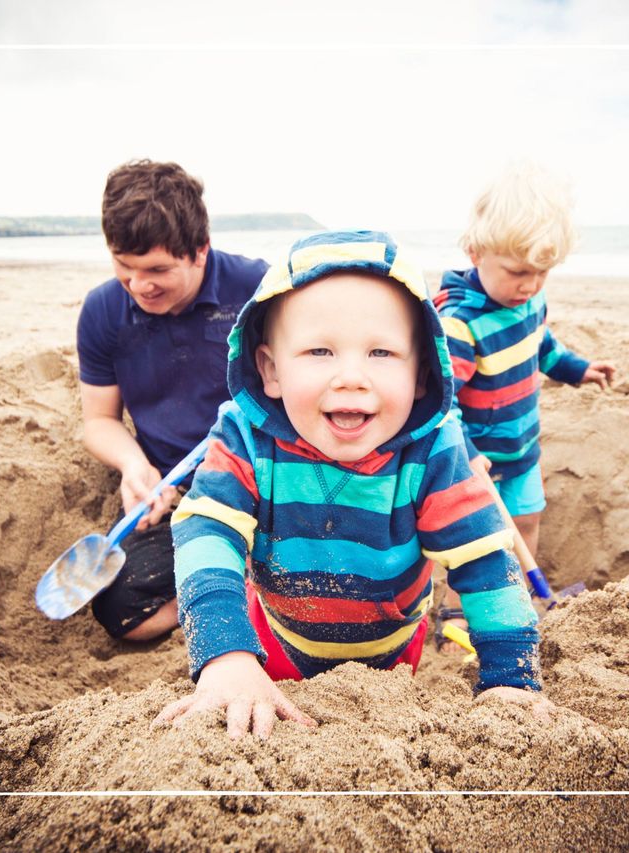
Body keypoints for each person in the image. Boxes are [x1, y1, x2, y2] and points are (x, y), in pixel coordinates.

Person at [153, 230, 552, 740]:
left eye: (381, 353)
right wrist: (227, 658)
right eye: (320, 351)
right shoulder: (246, 437)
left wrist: (510, 675)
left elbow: (485, 561)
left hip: (390, 654)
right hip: (275, 637)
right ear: (271, 370)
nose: (351, 378)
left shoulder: (433, 450)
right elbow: (205, 532)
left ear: (423, 375)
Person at [76, 160, 268, 643]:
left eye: (158, 269)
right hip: (175, 489)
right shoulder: (102, 311)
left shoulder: (258, 290)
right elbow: (99, 420)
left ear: (200, 250)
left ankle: (245, 584)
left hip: (268, 478)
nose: (140, 286)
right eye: (125, 267)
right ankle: (242, 588)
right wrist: (133, 465)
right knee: (123, 612)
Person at [433, 162, 616, 649]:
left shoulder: (530, 301)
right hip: (474, 462)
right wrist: (466, 453)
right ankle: (457, 617)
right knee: (474, 542)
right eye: (517, 272)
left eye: (542, 273)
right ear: (475, 253)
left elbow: (543, 345)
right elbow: (441, 402)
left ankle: (519, 600)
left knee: (526, 522)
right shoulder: (459, 323)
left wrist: (577, 370)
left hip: (523, 448)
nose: (530, 285)